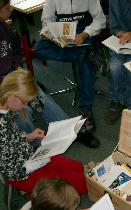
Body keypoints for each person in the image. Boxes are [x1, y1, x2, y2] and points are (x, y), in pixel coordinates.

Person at [0, 0, 99, 148]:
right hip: (4, 85)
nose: (11, 10)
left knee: (40, 96)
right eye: (8, 8)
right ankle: (37, 144)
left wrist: (18, 67)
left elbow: (15, 50)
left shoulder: (4, 27)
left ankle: (70, 131)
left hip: (13, 77)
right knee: (24, 109)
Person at [0, 69, 88, 196]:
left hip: (29, 156)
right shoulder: (1, 126)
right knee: (79, 185)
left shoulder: (6, 108)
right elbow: (11, 171)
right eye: (24, 102)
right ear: (11, 96)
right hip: (21, 173)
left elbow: (11, 138)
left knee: (76, 167)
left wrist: (28, 137)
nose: (25, 106)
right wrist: (39, 162)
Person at [35, 0, 106, 133]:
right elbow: (47, 22)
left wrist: (86, 34)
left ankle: (86, 108)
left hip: (83, 33)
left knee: (86, 67)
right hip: (61, 33)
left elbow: (100, 20)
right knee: (39, 48)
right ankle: (86, 54)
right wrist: (49, 34)